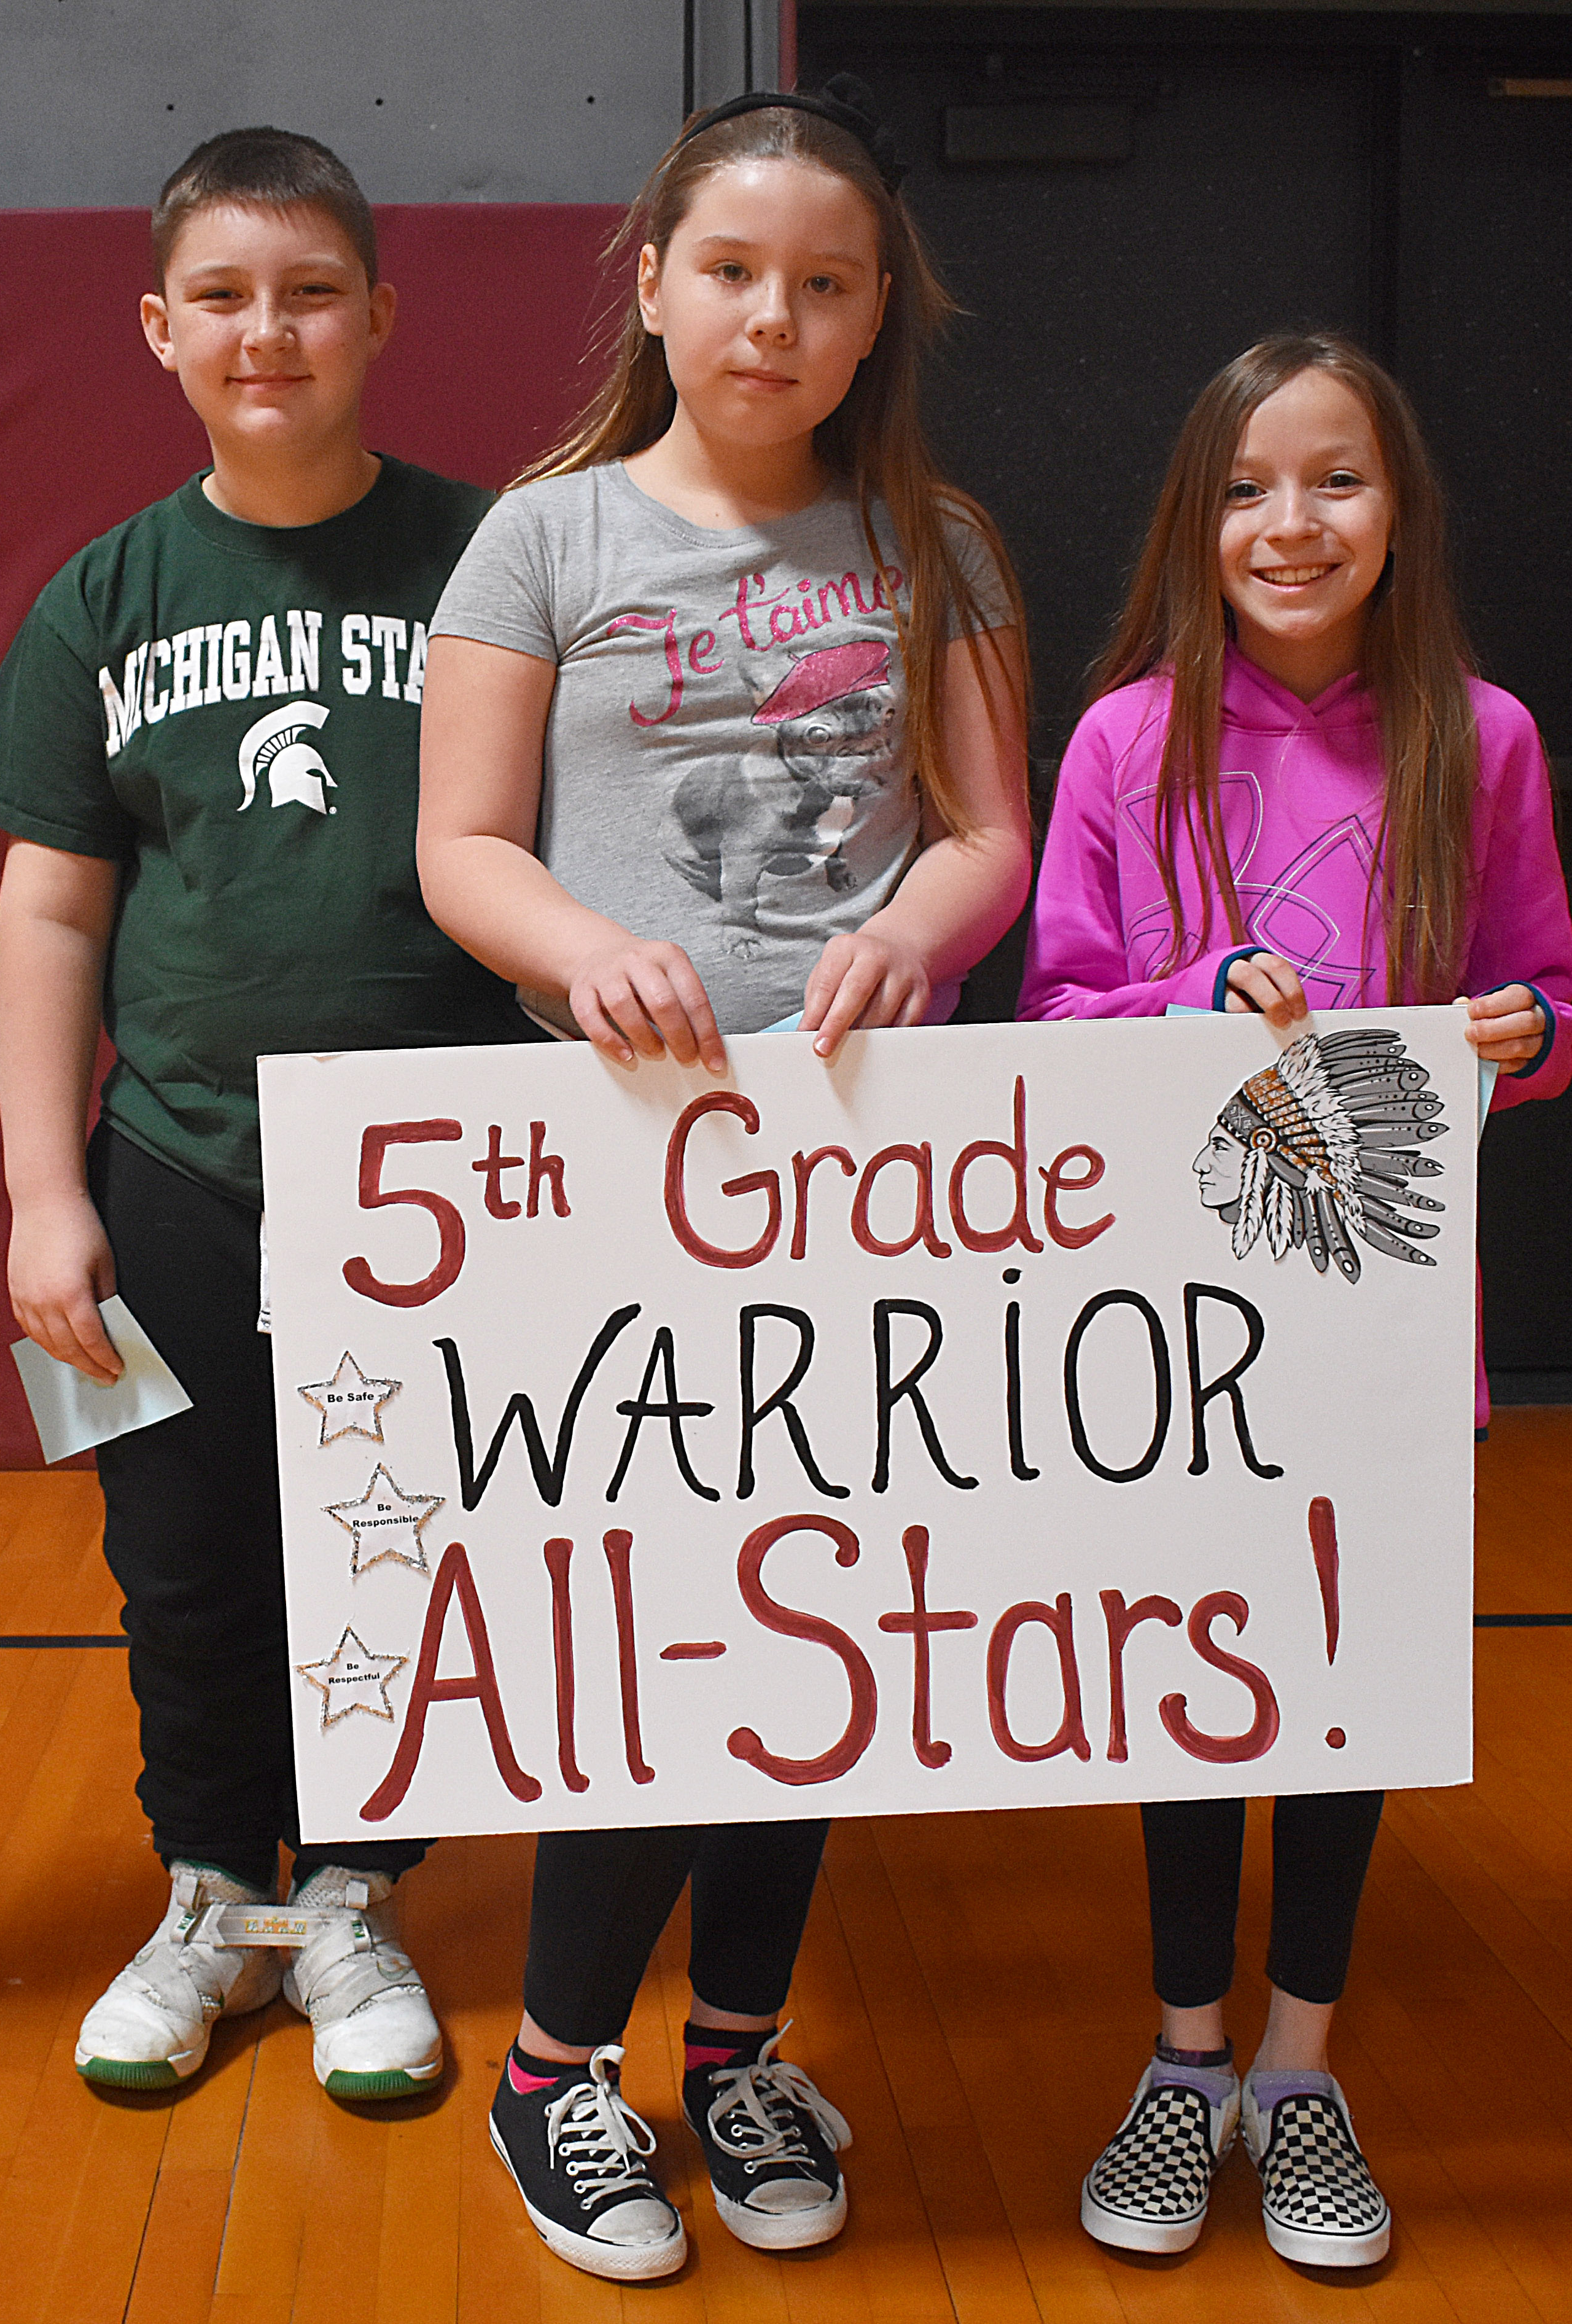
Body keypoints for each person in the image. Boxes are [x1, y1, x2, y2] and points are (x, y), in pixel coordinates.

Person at [418, 78, 1032, 2281]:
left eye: (826, 284)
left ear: (876, 321)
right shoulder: (544, 537)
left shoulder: (931, 540)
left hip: (873, 1173)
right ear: (656, 285)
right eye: (736, 271)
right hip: (622, 1175)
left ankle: (740, 2049)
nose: (775, 317)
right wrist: (591, 954)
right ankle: (551, 2077)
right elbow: (463, 846)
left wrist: (920, 928)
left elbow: (988, 831)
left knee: (820, 1633)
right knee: (652, 1641)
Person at [0, 128, 526, 2102]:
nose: (265, 330)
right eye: (221, 295)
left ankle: (356, 1898)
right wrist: (44, 1192)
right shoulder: (101, 598)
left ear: (378, 314)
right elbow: (47, 907)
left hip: (445, 1186)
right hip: (184, 1166)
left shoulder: (496, 560)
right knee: (189, 1563)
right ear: (156, 328)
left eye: (306, 290)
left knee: (393, 1556)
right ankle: (213, 1894)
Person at [1021, 330, 1572, 2269]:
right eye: (1249, 487)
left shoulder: (1481, 737)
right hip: (1179, 1328)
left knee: (1345, 1704)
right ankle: (1184, 2064)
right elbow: (1052, 1011)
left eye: (1335, 480)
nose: (1292, 521)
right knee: (1199, 1697)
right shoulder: (1121, 740)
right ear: (1196, 524)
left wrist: (1523, 1033)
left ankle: (1300, 2073)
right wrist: (1186, 1004)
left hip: (1390, 1322)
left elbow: (1548, 1006)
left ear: (1399, 518)